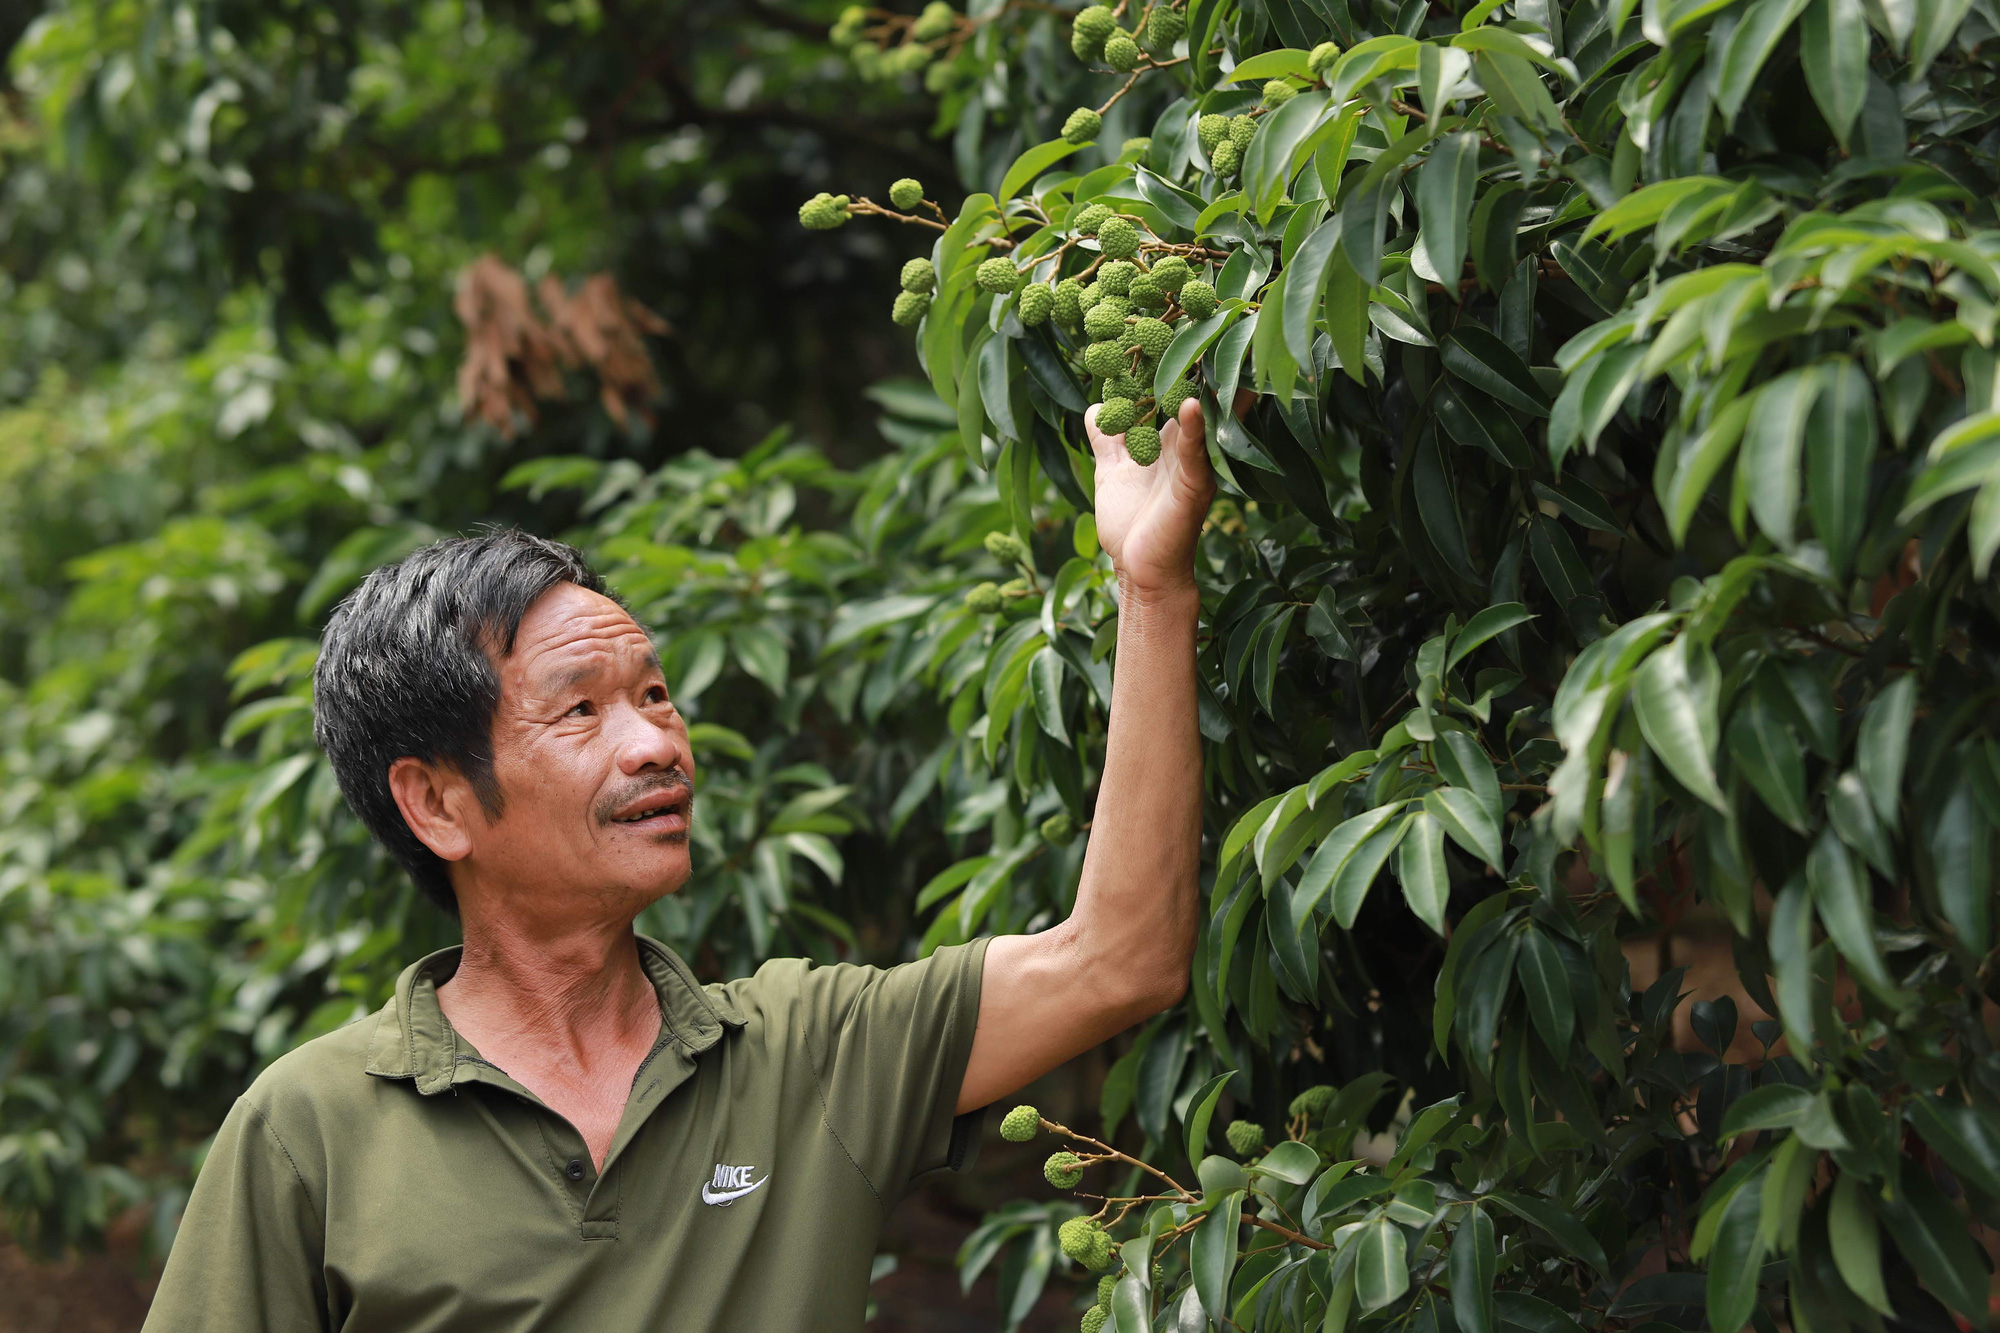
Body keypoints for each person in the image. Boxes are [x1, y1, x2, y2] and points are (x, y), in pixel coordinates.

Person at [141, 400, 1214, 1331]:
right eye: (580, 710)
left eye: (653, 694)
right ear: (436, 802)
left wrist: (1150, 589)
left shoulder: (807, 1056)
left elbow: (1121, 957)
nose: (656, 741)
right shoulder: (311, 1130)